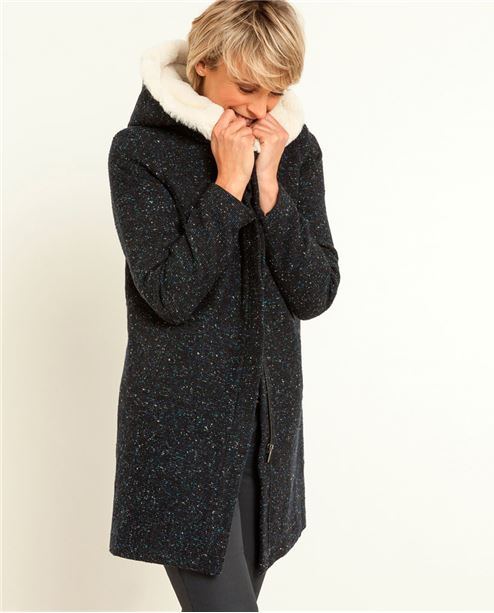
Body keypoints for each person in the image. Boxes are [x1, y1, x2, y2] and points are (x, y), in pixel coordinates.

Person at [107, 1, 340, 611]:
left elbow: (315, 292)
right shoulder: (139, 152)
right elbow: (169, 293)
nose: (261, 109)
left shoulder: (293, 151)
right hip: (179, 432)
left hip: (267, 434)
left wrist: (271, 190)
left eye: (276, 91)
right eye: (247, 88)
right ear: (203, 65)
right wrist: (228, 186)